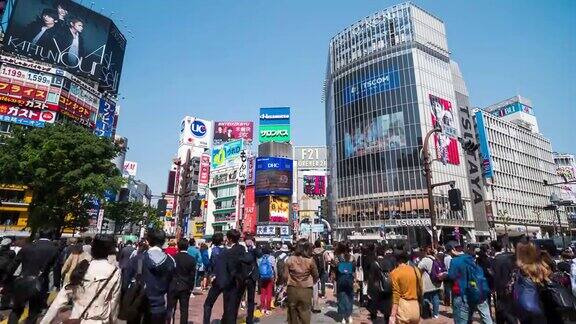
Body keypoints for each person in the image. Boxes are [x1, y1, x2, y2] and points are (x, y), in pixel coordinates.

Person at [40, 234, 121, 324]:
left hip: (77, 318)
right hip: (99, 320)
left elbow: (60, 300)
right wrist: (112, 321)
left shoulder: (83, 267)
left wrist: (45, 321)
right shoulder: (115, 272)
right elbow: (114, 302)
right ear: (110, 251)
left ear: (93, 249)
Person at [8, 229, 59, 324]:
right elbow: (55, 268)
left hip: (23, 280)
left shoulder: (27, 247)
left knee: (16, 310)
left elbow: (14, 265)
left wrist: (6, 280)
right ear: (51, 236)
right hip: (40, 283)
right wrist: (57, 284)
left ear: (39, 235)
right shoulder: (54, 249)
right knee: (33, 312)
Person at [124, 229, 175, 322]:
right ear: (164, 241)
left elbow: (126, 282)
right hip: (159, 307)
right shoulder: (170, 261)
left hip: (138, 306)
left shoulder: (139, 259)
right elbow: (171, 290)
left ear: (148, 241)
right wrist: (169, 310)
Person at [448, 242, 492, 324]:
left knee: (464, 318)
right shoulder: (476, 259)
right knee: (486, 316)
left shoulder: (455, 261)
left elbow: (452, 276)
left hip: (464, 293)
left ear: (453, 250)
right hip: (480, 290)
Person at [285, 240, 319, 324]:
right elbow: (316, 275)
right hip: (306, 289)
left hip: (292, 288)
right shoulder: (310, 261)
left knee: (292, 312)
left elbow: (285, 276)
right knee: (305, 313)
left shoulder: (290, 259)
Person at [167, 239, 196, 324]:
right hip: (185, 286)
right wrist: (191, 288)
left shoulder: (173, 258)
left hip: (173, 285)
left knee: (171, 308)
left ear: (178, 247)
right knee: (184, 309)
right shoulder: (191, 259)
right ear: (187, 247)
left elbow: (169, 273)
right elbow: (192, 276)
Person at [389, 250, 421, 324]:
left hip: (403, 307)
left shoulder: (395, 273)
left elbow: (396, 294)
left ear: (396, 260)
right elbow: (420, 289)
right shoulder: (415, 270)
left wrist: (392, 315)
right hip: (415, 307)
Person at [490, 240, 517, 324]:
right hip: (513, 287)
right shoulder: (510, 256)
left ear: (493, 248)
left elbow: (496, 277)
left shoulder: (496, 260)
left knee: (504, 312)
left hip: (502, 290)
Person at [203, 232, 227, 324]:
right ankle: (225, 320)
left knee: (208, 304)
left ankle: (206, 322)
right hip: (226, 279)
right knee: (226, 303)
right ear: (222, 241)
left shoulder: (210, 251)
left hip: (216, 280)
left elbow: (207, 264)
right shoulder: (227, 251)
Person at [367, 244, 395, 322]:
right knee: (387, 303)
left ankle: (374, 317)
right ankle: (386, 319)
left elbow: (371, 278)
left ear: (376, 253)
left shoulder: (374, 264)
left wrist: (369, 290)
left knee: (374, 303)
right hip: (388, 286)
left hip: (377, 287)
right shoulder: (389, 262)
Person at [417, 246, 444, 318]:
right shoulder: (436, 258)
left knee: (425, 297)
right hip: (436, 281)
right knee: (435, 297)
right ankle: (436, 314)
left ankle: (426, 313)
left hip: (428, 281)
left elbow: (419, 267)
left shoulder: (425, 260)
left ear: (425, 252)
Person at [240, 235, 260, 324]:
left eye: (250, 240)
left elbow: (260, 255)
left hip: (252, 277)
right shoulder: (241, 249)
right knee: (239, 296)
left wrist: (254, 246)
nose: (248, 242)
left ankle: (250, 318)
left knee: (251, 299)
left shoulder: (254, 249)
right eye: (247, 240)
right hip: (242, 276)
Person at [335, 242, 355, 324]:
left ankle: (343, 318)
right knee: (350, 297)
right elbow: (354, 269)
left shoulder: (337, 258)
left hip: (340, 280)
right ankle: (349, 316)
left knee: (341, 297)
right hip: (350, 279)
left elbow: (335, 269)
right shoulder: (351, 257)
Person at [258, 245, 276, 315]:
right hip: (270, 277)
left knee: (263, 293)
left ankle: (262, 308)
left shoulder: (259, 258)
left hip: (262, 278)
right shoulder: (272, 258)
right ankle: (268, 309)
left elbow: (259, 268)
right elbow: (274, 268)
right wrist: (275, 276)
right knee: (269, 293)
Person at [0, 238, 16, 309]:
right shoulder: (12, 253)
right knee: (7, 289)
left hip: (2, 272)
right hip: (7, 273)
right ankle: (4, 304)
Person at [312, 239, 326, 312]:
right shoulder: (324, 251)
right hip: (322, 269)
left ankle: (315, 295)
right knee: (323, 281)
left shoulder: (312, 251)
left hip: (314, 269)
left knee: (315, 284)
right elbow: (327, 259)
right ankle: (323, 294)